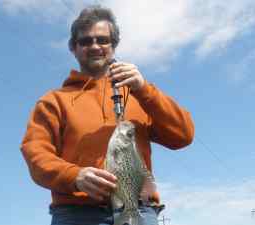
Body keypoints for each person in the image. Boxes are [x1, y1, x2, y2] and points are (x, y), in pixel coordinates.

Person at [20, 5, 194, 225]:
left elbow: (183, 135)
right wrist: (74, 176)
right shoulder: (53, 101)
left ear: (113, 46)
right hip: (76, 214)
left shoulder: (140, 94)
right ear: (73, 47)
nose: (95, 46)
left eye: (103, 40)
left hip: (140, 210)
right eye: (85, 41)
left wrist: (144, 89)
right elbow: (36, 155)